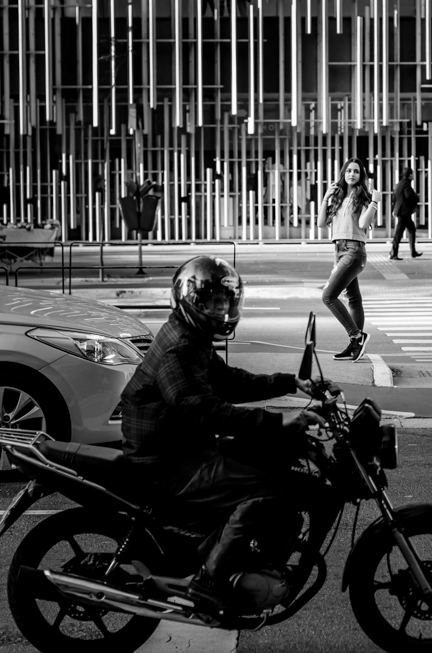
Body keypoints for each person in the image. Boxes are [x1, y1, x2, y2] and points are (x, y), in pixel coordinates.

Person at [120, 256, 333, 610]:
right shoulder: (180, 347)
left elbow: (228, 381)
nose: (221, 310)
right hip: (166, 459)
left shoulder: (192, 336)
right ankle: (210, 579)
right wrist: (278, 423)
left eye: (225, 301)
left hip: (182, 444)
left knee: (265, 464)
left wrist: (290, 383)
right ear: (192, 300)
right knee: (264, 489)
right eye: (212, 302)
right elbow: (199, 408)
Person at [317, 158, 378, 362]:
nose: (352, 174)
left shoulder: (363, 198)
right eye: (349, 171)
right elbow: (320, 224)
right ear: (343, 173)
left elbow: (362, 224)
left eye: (357, 172)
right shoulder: (338, 196)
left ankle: (357, 336)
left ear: (361, 176)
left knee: (328, 296)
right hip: (340, 250)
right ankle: (356, 346)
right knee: (353, 299)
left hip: (354, 250)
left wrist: (375, 202)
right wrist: (326, 198)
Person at [389, 167, 421, 261]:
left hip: (402, 211)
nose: (413, 176)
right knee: (399, 234)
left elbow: (395, 197)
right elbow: (409, 196)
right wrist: (416, 197)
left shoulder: (400, 183)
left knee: (411, 229)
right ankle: (393, 254)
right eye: (412, 174)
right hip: (404, 213)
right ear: (410, 175)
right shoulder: (406, 184)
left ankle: (413, 252)